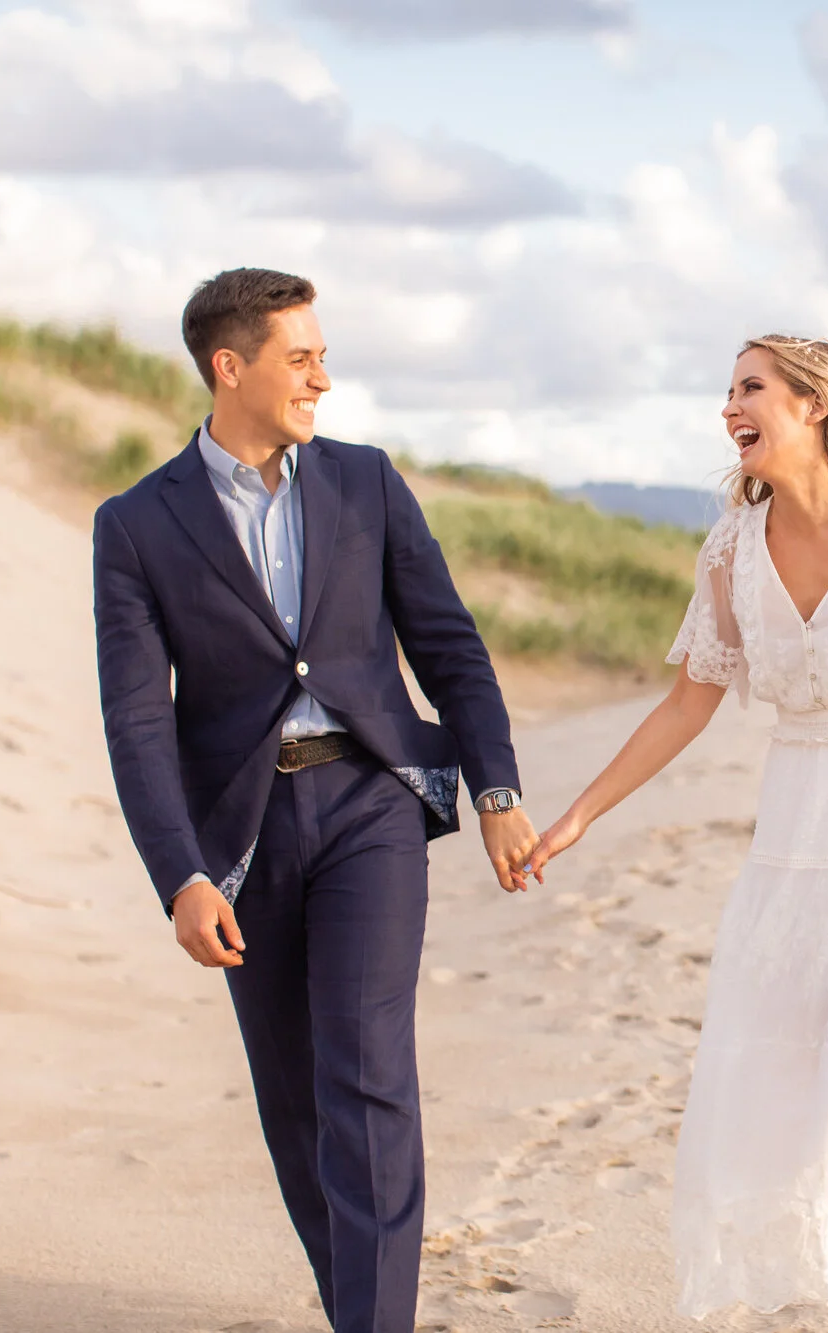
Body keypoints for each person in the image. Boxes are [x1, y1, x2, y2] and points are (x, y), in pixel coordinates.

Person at [522, 335, 828, 1329]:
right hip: (795, 844)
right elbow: (684, 703)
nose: (728, 408)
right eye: (727, 392)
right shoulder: (729, 548)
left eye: (749, 389)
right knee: (813, 1102)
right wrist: (579, 811)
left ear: (815, 406)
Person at [91, 268, 541, 1333]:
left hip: (371, 806)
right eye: (303, 358)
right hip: (241, 840)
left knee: (366, 1070)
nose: (323, 379)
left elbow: (447, 647)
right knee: (294, 1101)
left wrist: (496, 787)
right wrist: (180, 875)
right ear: (229, 366)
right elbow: (136, 721)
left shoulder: (365, 483)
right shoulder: (136, 526)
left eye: (323, 357)